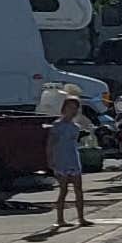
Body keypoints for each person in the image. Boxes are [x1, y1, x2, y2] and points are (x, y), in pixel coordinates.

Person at [48, 89, 89, 230]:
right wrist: (51, 160)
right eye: (69, 108)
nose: (72, 111)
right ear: (63, 109)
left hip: (73, 158)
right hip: (61, 160)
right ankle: (60, 219)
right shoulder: (57, 126)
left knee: (78, 189)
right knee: (63, 190)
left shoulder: (75, 127)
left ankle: (81, 217)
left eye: (75, 108)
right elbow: (50, 144)